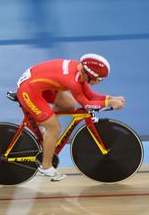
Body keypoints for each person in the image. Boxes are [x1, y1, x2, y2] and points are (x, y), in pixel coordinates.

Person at [15, 54, 125, 182]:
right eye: (100, 79)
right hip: (29, 90)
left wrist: (111, 98)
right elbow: (87, 104)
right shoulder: (73, 81)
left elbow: (90, 95)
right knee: (55, 128)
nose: (100, 81)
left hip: (37, 83)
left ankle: (45, 127)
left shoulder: (80, 71)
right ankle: (46, 166)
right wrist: (109, 103)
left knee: (69, 104)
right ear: (91, 75)